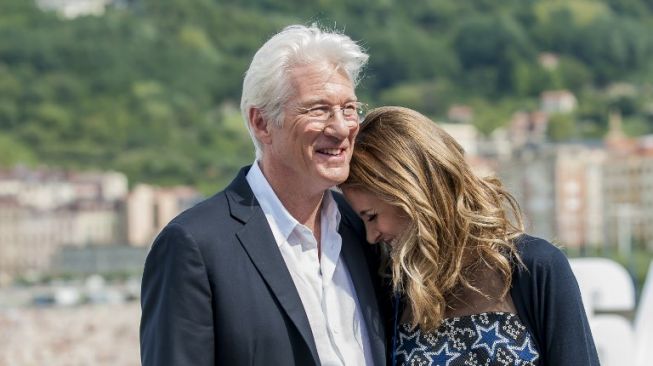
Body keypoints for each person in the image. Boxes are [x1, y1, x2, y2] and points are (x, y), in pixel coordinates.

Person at [140, 25, 387, 366]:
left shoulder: (366, 230)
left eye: (348, 108)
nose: (342, 128)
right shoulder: (194, 246)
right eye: (318, 109)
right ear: (261, 123)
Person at [341, 106, 600, 366]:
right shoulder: (395, 290)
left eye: (372, 216)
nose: (371, 236)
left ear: (411, 193)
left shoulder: (534, 267)